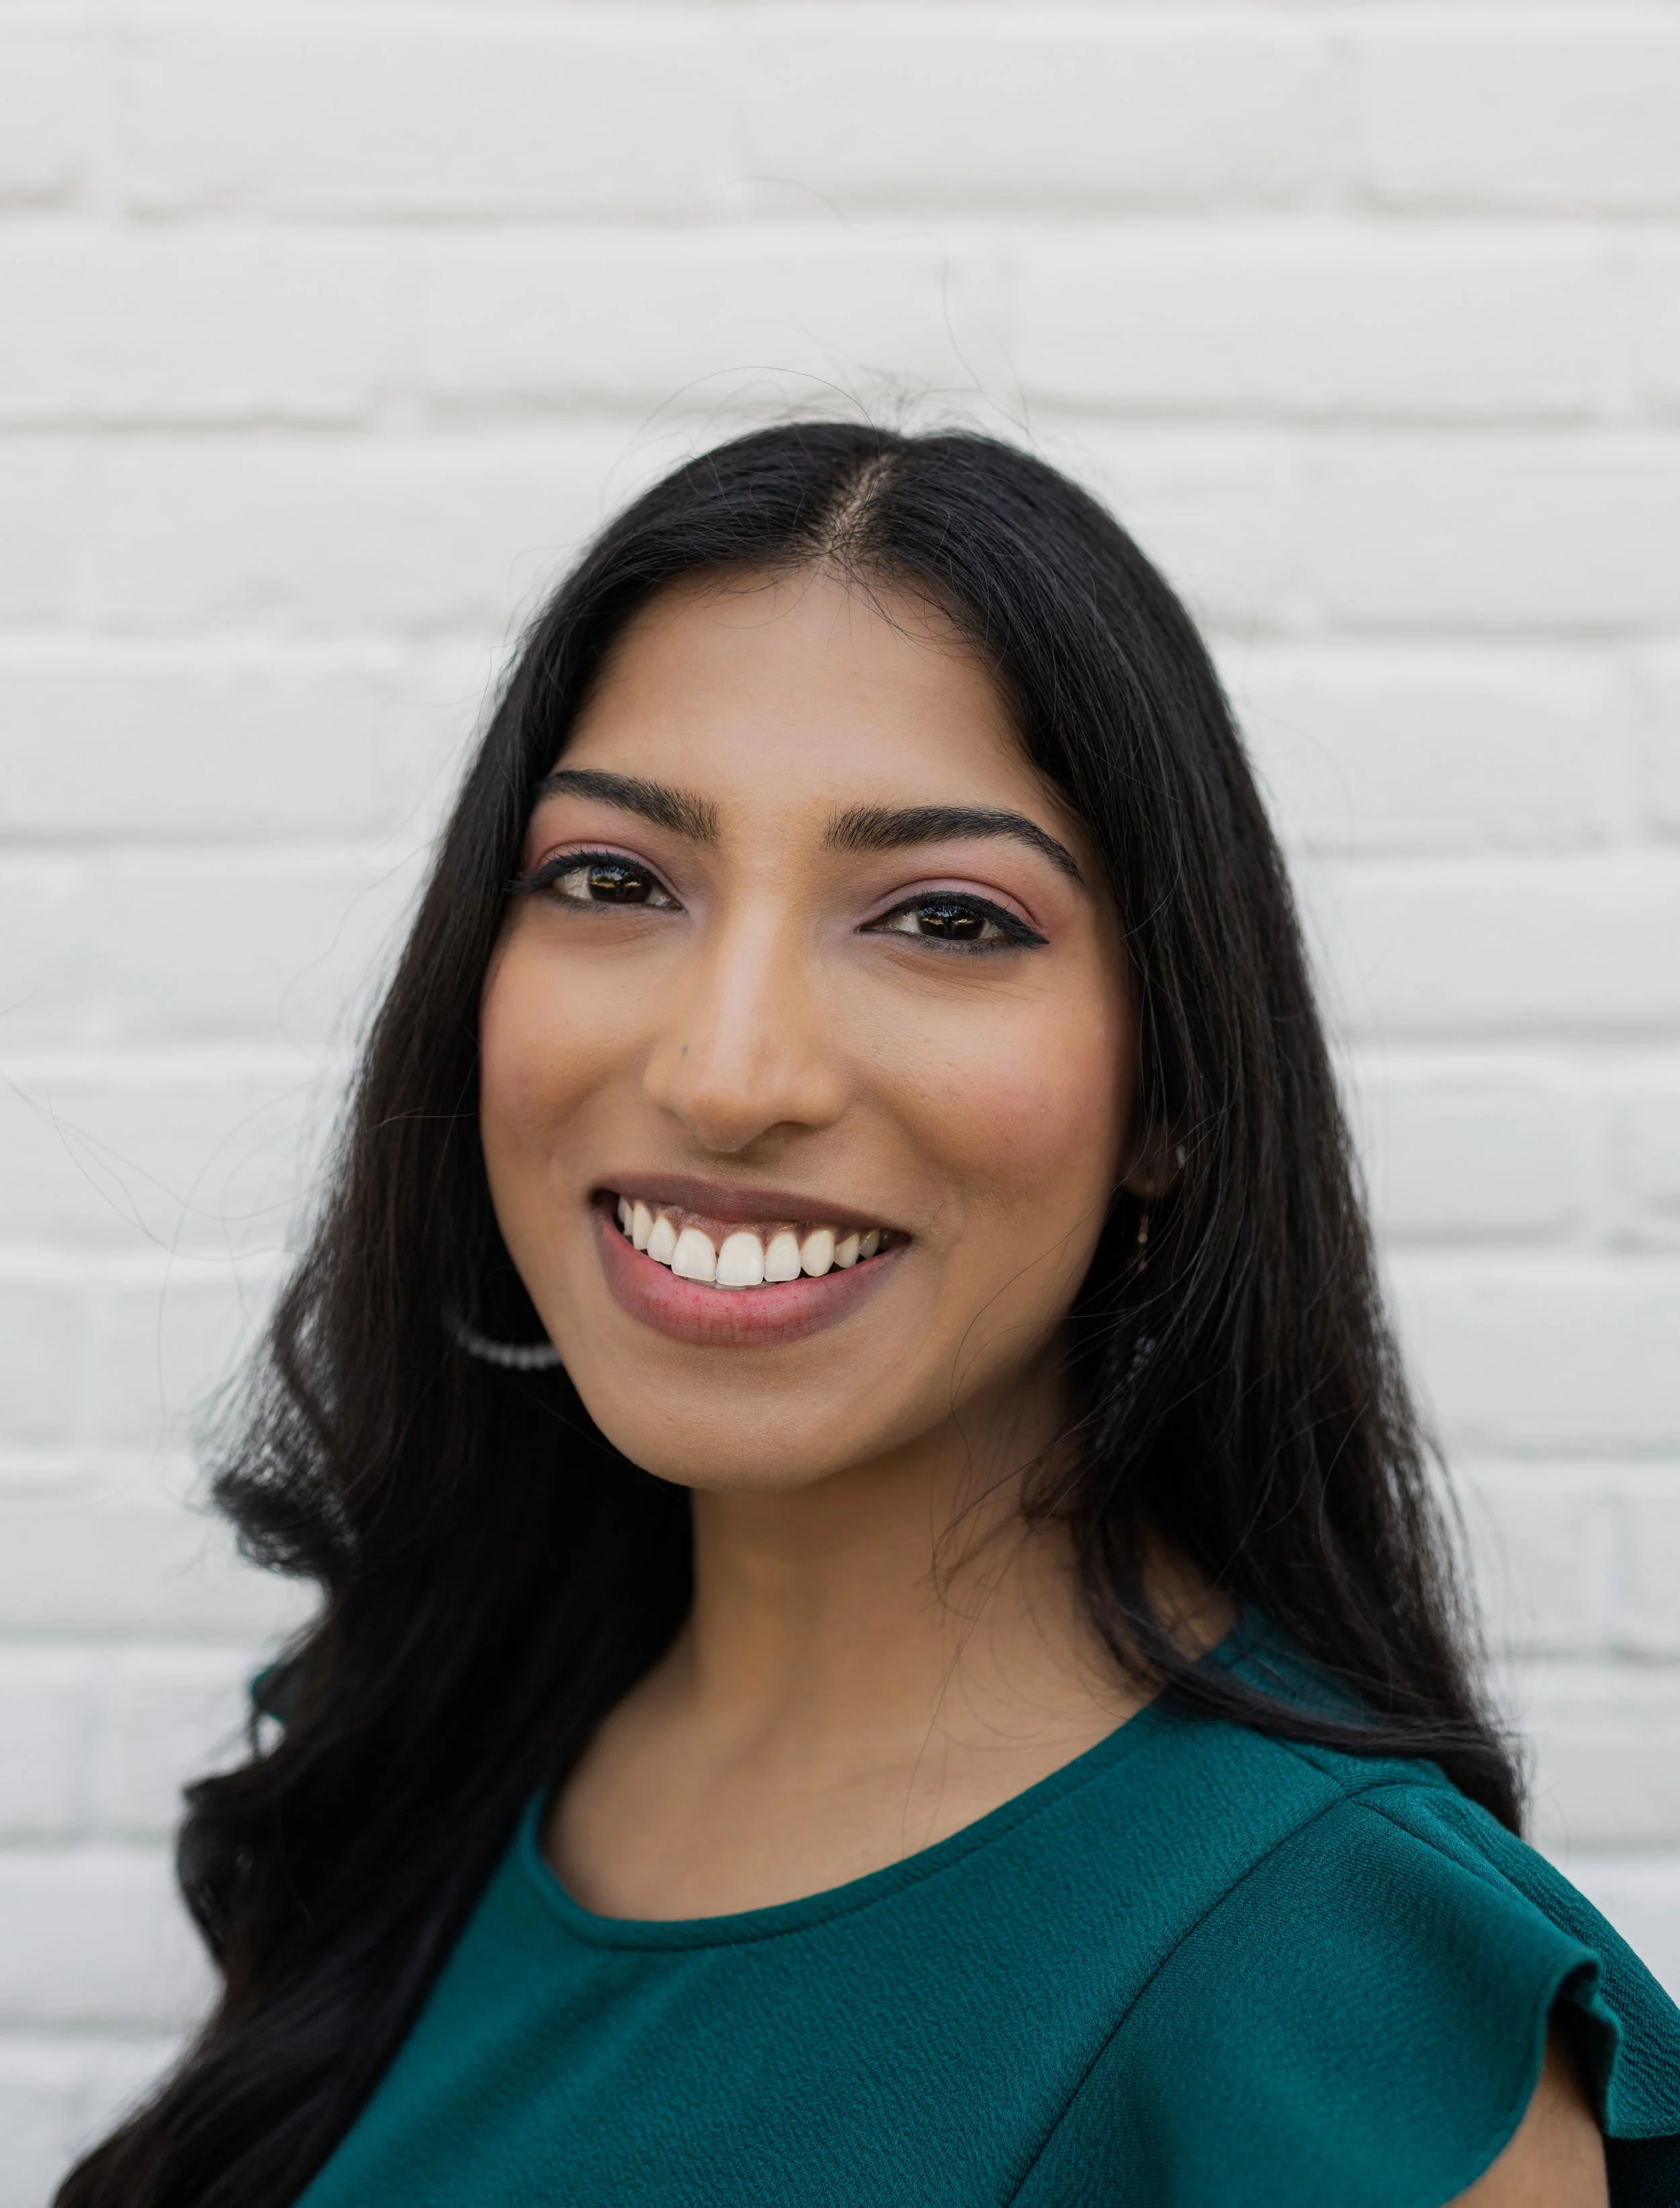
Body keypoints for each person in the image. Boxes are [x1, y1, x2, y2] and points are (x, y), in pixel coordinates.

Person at [58, 424, 1680, 2208]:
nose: (729, 1069)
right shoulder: (426, 1747)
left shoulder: (1333, 1992)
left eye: (943, 916)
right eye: (612, 880)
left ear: (1170, 1098)